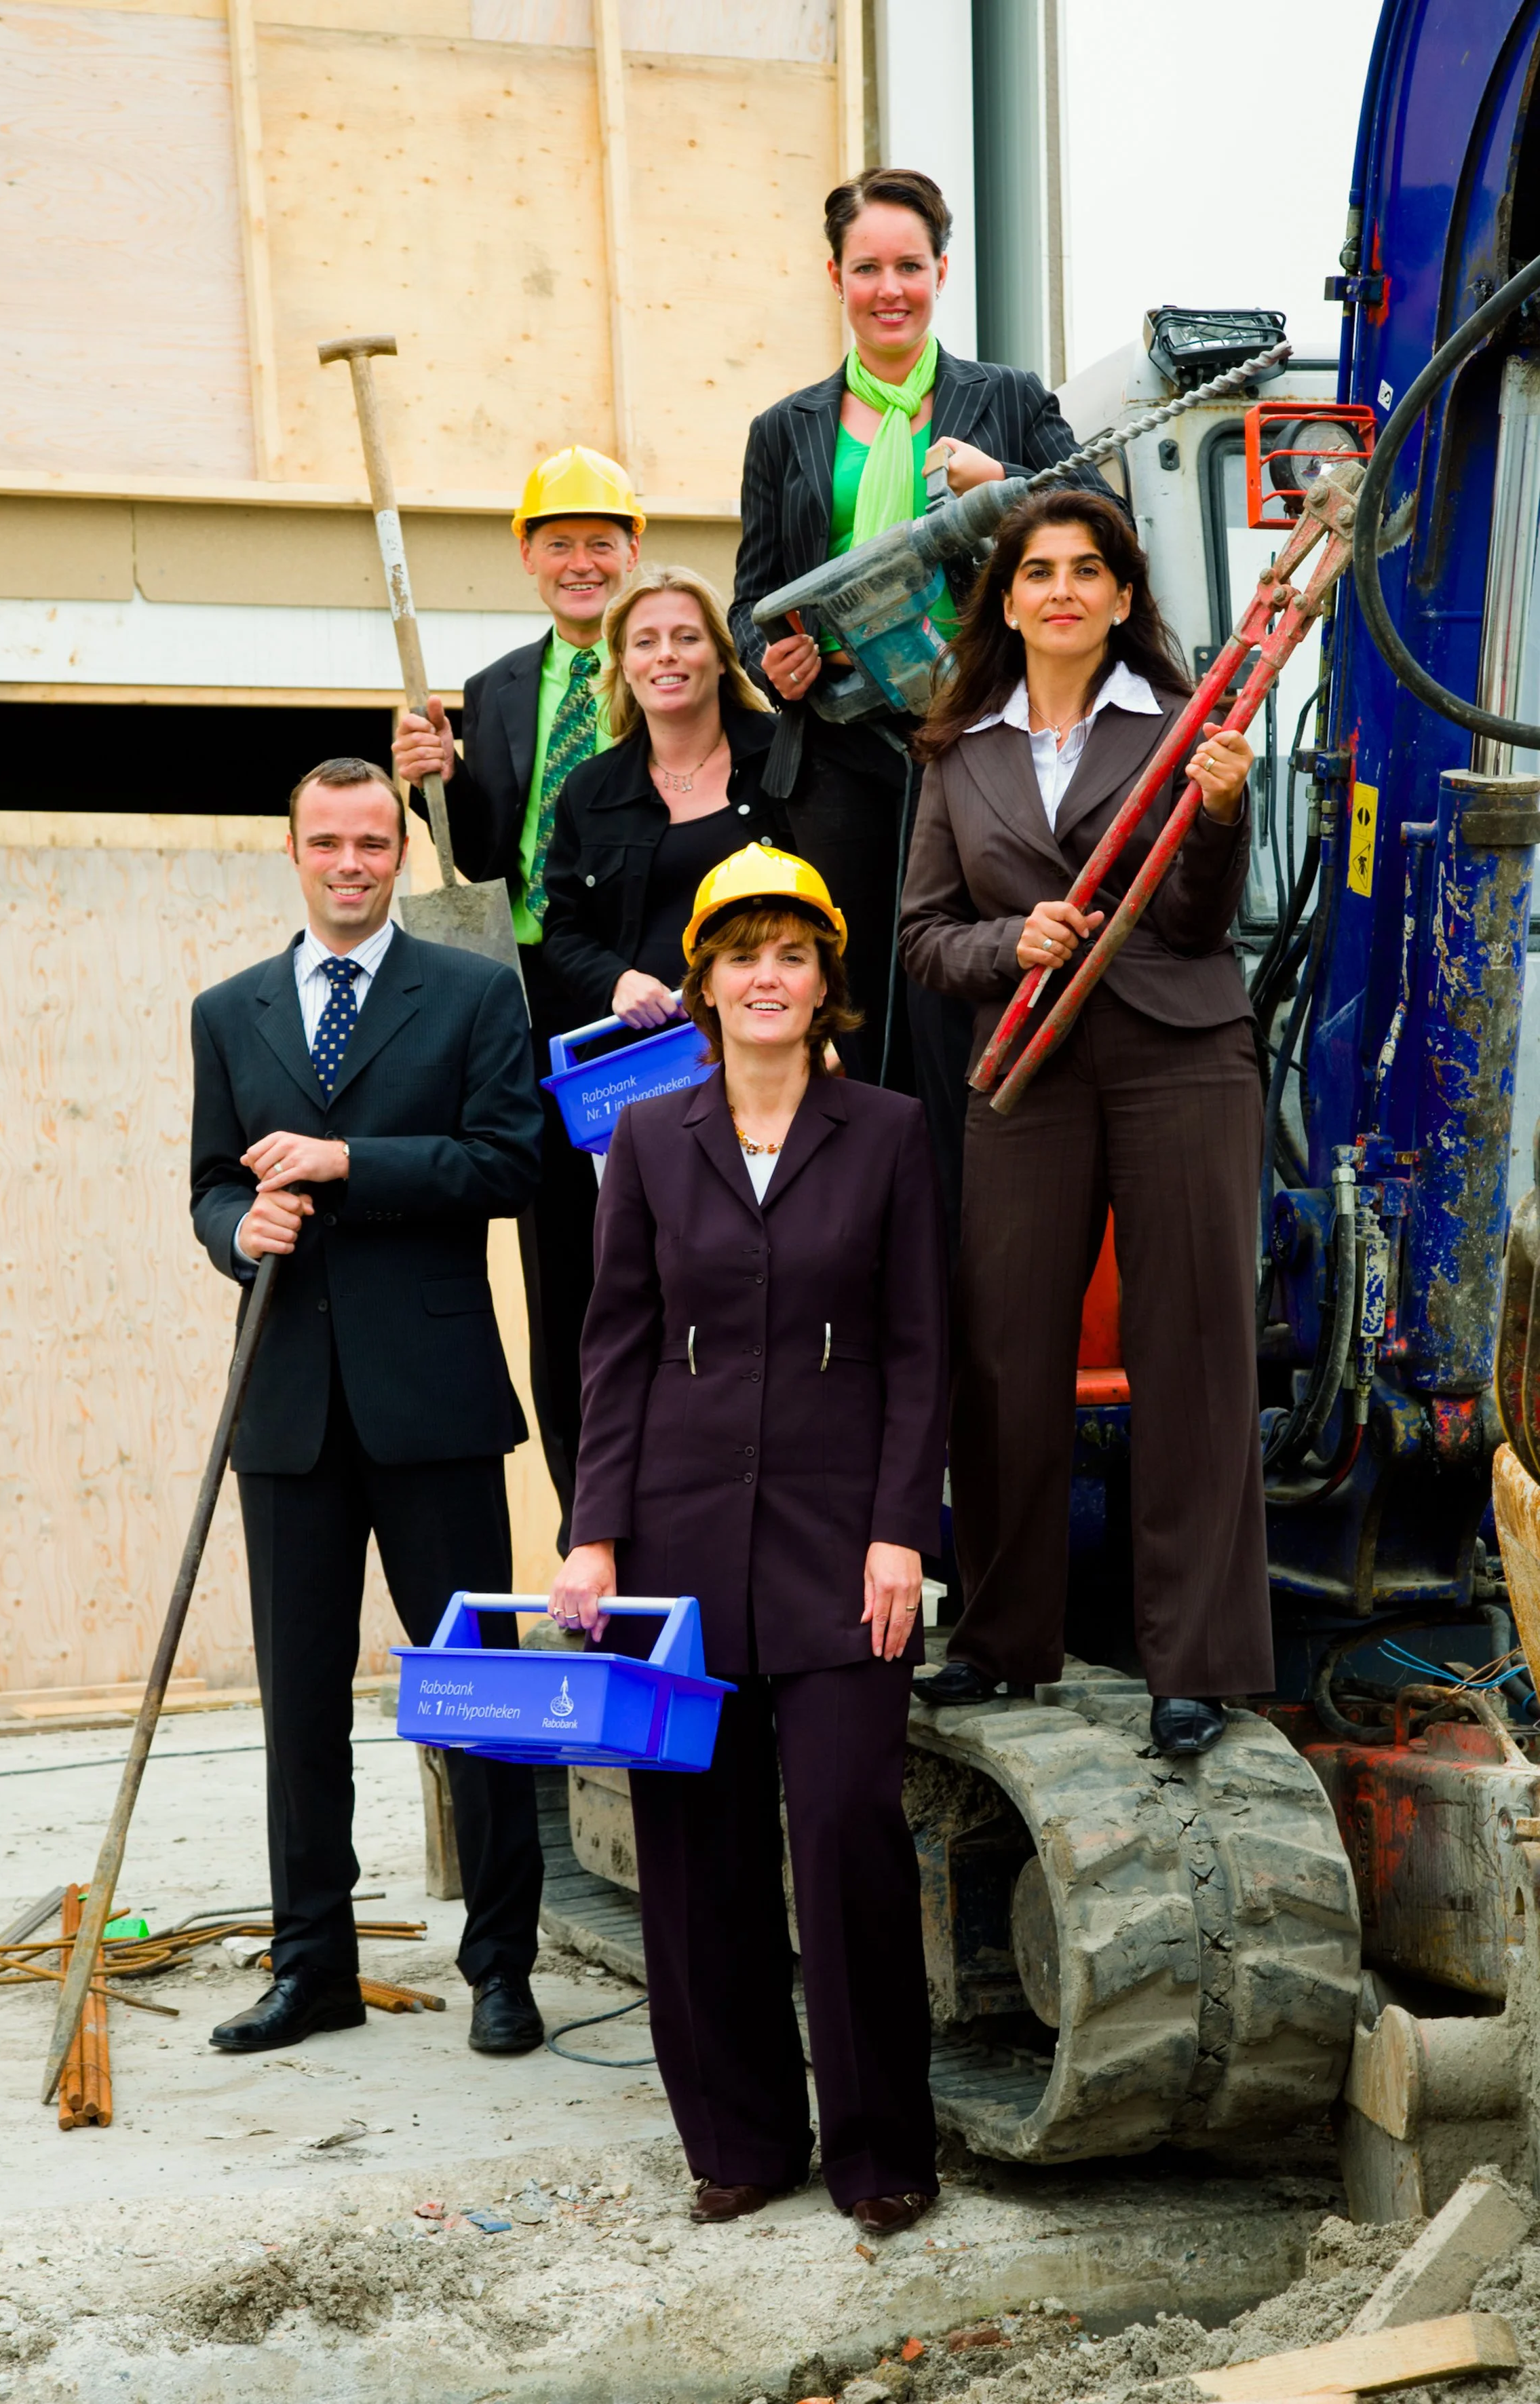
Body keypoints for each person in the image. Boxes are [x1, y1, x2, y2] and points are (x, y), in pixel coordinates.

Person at [549, 844, 948, 2234]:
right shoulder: (650, 1139)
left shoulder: (888, 1130)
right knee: (694, 1848)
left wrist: (900, 1530)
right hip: (676, 1534)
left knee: (845, 1828)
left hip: (843, 1541)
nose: (764, 978)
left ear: (822, 978)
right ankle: (737, 2138)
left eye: (789, 953)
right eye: (739, 955)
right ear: (704, 983)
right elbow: (616, 1346)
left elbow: (918, 1351)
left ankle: (880, 2150)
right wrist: (593, 1532)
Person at [898, 489, 1272, 1755]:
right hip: (1027, 1067)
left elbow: (1192, 923)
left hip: (1179, 1053)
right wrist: (1014, 939)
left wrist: (1218, 812)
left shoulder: (1183, 730)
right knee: (1003, 1349)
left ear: (1121, 595)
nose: (1060, 589)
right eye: (1036, 571)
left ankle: (1195, 1666)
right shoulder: (955, 754)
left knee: (1193, 1345)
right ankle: (1001, 1640)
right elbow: (920, 938)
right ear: (1003, 599)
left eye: (1086, 570)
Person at [189, 755, 550, 2055]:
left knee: (474, 1688)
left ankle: (503, 1962)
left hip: (432, 1396)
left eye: (372, 844)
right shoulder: (227, 1012)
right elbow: (207, 1189)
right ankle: (313, 1964)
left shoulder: (465, 994)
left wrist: (347, 1163)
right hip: (285, 1400)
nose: (350, 864)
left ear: (399, 854)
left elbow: (513, 1161)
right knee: (298, 1699)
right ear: (288, 848)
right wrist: (245, 1226)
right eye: (326, 842)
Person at [728, 164, 1108, 1152]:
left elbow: (1105, 524)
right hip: (843, 755)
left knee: (963, 983)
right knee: (848, 993)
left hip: (983, 737)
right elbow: (749, 598)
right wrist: (777, 659)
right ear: (835, 277)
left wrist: (1006, 482)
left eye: (909, 265)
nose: (888, 288)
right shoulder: (785, 431)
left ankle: (973, 1203)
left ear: (942, 271)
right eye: (867, 268)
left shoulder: (1008, 398)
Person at [391, 446, 642, 1531]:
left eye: (601, 542)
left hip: (638, 989)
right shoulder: (494, 689)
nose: (581, 563)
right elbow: (484, 854)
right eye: (560, 543)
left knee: (660, 1240)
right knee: (558, 1267)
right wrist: (427, 786)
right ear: (528, 557)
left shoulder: (668, 658)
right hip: (531, 989)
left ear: (634, 550)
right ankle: (587, 1516)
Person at [540, 565, 787, 1025]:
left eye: (687, 638)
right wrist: (615, 980)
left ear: (719, 655)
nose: (666, 655)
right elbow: (563, 930)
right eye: (646, 641)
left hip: (779, 1036)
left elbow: (847, 897)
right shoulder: (589, 790)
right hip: (650, 1056)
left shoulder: (787, 755)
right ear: (625, 665)